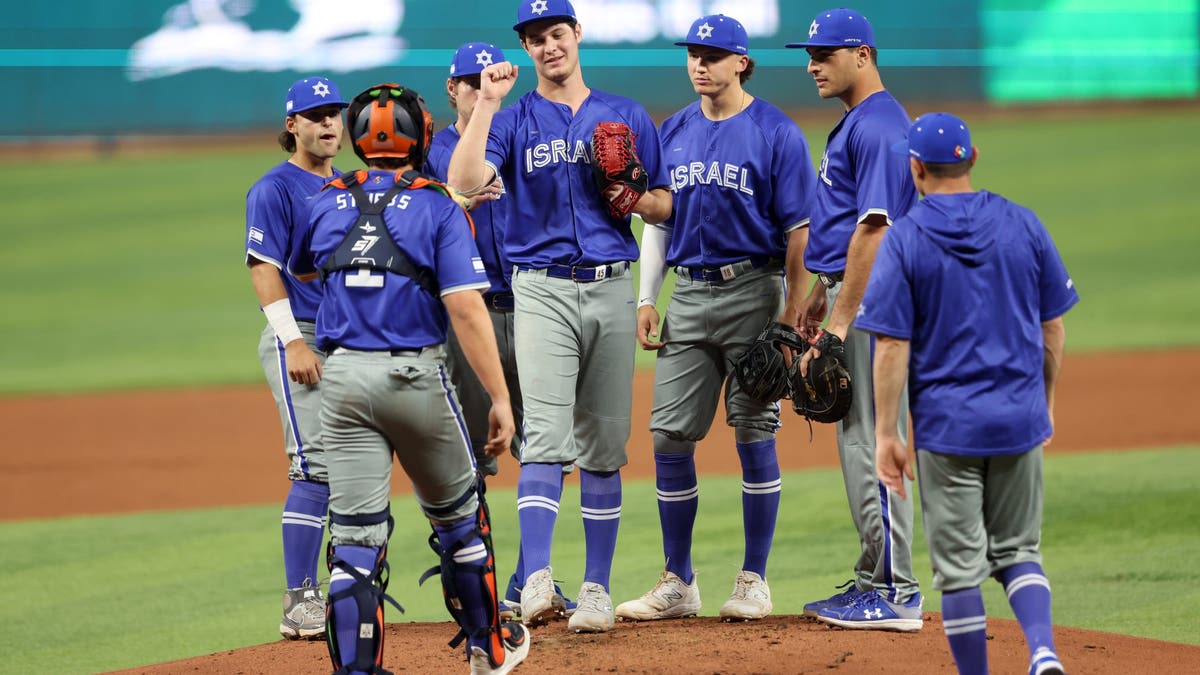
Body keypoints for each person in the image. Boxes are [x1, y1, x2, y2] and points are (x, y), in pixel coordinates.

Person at [447, 0, 673, 634]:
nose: (547, 47)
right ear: (525, 49)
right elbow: (464, 180)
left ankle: (598, 590)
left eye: (556, 33)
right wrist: (487, 103)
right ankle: (539, 579)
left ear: (577, 35)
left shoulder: (625, 114)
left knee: (605, 444)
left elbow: (665, 207)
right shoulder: (514, 118)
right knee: (545, 436)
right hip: (540, 290)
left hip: (610, 287)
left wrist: (635, 195)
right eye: (534, 39)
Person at [290, 83, 530, 675]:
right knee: (459, 520)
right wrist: (499, 397)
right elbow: (468, 310)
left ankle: (356, 670)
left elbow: (301, 266)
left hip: (340, 382)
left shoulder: (325, 198)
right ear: (422, 136)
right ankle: (489, 648)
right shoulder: (437, 203)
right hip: (414, 377)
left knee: (352, 544)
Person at [613, 14, 817, 623]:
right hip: (691, 297)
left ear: (741, 62)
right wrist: (648, 297)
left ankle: (754, 579)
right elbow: (659, 221)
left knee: (755, 431)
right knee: (668, 438)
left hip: (755, 290)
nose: (700, 64)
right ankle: (679, 580)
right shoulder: (671, 129)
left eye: (713, 54)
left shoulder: (776, 132)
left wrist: (787, 319)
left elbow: (799, 233)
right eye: (693, 54)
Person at [858, 112, 1077, 675]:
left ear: (915, 169)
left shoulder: (906, 237)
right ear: (972, 158)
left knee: (958, 571)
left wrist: (886, 435)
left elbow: (890, 346)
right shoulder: (1023, 223)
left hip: (948, 426)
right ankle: (1044, 652)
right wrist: (1044, 401)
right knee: (1019, 551)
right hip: (1017, 416)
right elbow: (1053, 328)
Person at [425, 41, 575, 620]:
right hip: (472, 318)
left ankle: (523, 580)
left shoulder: (515, 141)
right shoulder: (436, 155)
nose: (479, 90)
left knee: (550, 450)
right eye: (470, 81)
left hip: (535, 304)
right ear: (454, 87)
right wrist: (456, 197)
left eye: (490, 81)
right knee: (470, 460)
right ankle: (473, 585)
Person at [784, 8, 924, 630]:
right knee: (857, 440)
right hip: (853, 294)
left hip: (875, 303)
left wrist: (838, 323)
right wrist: (822, 291)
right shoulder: (859, 122)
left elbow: (874, 229)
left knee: (873, 441)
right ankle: (875, 577)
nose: (813, 64)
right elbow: (848, 230)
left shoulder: (883, 125)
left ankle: (897, 592)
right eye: (810, 54)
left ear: (862, 55)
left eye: (826, 54)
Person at [244, 75, 347, 641]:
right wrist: (293, 342)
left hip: (350, 340)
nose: (329, 123)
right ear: (294, 126)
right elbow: (264, 268)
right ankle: (300, 599)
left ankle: (351, 581)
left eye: (334, 113)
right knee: (314, 465)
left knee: (356, 465)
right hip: (302, 336)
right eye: (316, 115)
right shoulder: (274, 189)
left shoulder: (351, 186)